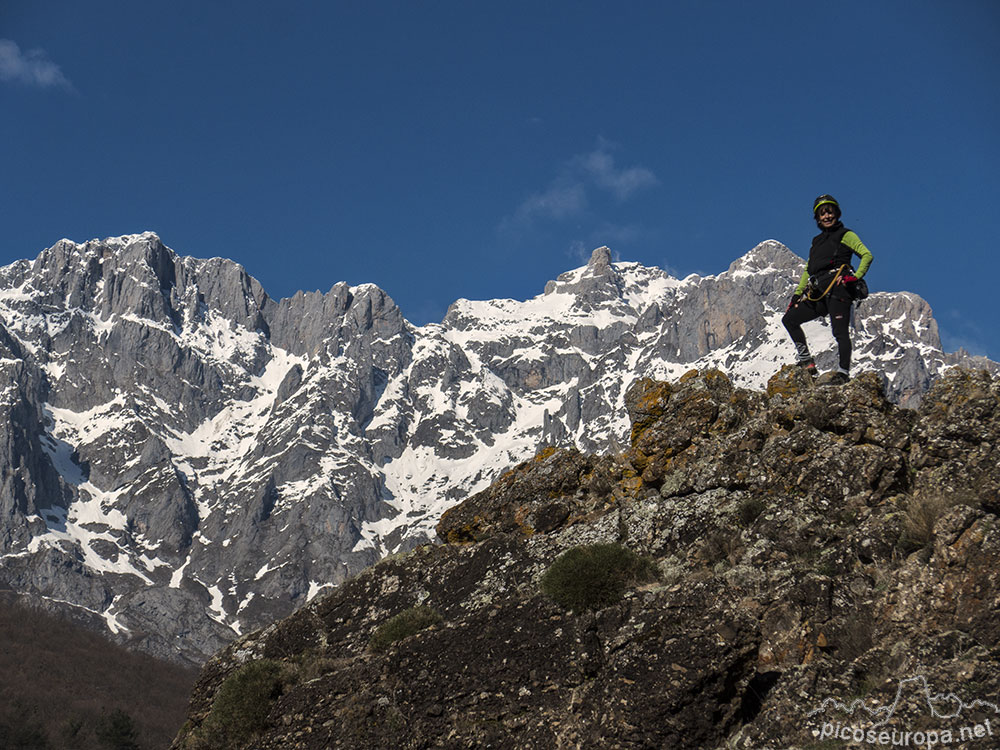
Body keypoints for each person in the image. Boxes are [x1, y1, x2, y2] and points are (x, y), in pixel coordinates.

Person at [782, 195, 873, 384]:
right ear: (817, 218)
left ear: (836, 214)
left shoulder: (846, 235)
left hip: (839, 289)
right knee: (789, 319)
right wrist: (797, 294)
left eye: (830, 212)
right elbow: (809, 269)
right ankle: (807, 361)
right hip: (818, 291)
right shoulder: (816, 242)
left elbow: (866, 255)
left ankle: (843, 373)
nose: (827, 216)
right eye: (822, 213)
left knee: (839, 332)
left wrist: (854, 277)